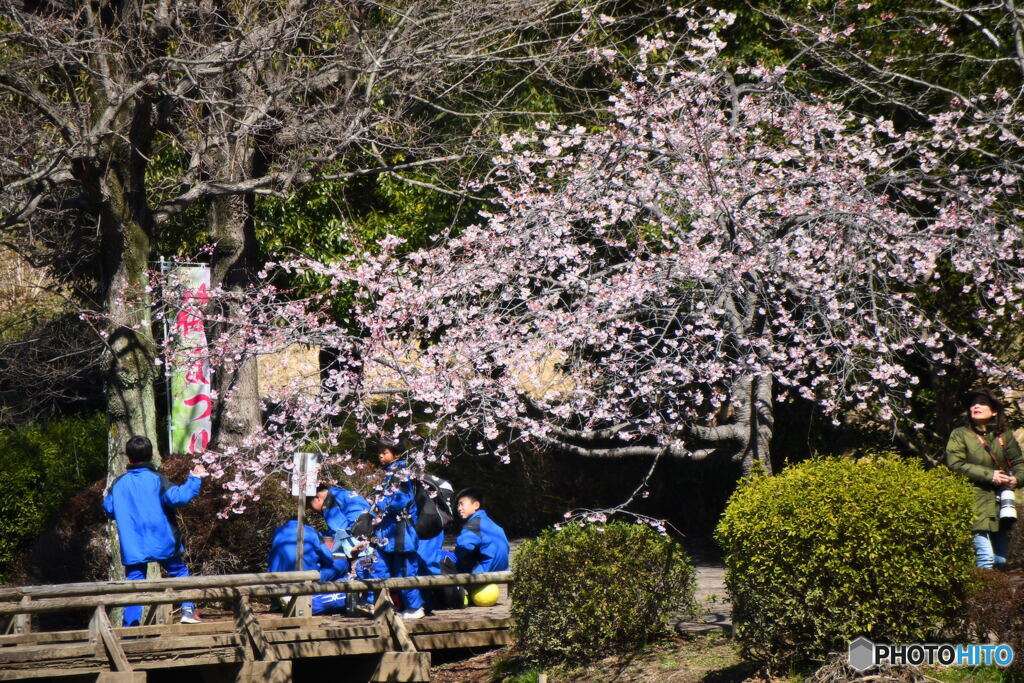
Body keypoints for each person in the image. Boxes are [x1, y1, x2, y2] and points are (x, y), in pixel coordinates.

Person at [103, 435, 206, 626]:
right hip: (162, 540)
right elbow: (179, 498)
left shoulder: (118, 484)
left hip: (133, 545)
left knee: (135, 586)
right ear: (151, 455)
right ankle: (187, 611)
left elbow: (109, 509)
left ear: (129, 457)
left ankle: (130, 627)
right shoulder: (157, 480)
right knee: (180, 573)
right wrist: (195, 479)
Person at [946, 387, 1024, 569]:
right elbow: (956, 464)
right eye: (973, 404)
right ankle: (977, 597)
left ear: (994, 411)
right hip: (973, 502)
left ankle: (994, 596)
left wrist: (1017, 479)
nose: (976, 406)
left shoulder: (1004, 436)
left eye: (982, 403)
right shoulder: (960, 434)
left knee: (1000, 560)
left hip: (1000, 505)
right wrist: (990, 475)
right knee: (986, 559)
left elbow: (1019, 463)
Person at [373, 437, 424, 619]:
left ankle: (415, 607)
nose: (380, 455)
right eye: (380, 451)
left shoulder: (401, 472)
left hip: (402, 532)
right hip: (390, 532)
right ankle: (384, 605)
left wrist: (380, 503)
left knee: (405, 570)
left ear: (397, 454)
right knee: (384, 568)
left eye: (385, 452)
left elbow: (401, 499)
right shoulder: (391, 472)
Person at [266, 515, 354, 615]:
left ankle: (275, 603)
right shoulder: (311, 531)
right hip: (307, 578)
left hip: (278, 580)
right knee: (342, 563)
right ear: (305, 523)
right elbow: (328, 557)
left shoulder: (278, 531)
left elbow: (270, 557)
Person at [453, 488, 509, 574]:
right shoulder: (489, 522)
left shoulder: (474, 524)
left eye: (461, 504)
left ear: (476, 505)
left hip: (483, 572)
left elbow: (462, 547)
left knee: (445, 559)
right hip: (502, 570)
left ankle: (454, 587)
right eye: (458, 505)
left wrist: (456, 549)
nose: (459, 508)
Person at [311, 484, 371, 555]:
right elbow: (336, 532)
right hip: (355, 546)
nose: (313, 510)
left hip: (363, 544)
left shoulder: (337, 497)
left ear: (317, 498)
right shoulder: (331, 502)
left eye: (310, 506)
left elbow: (361, 520)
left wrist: (354, 535)